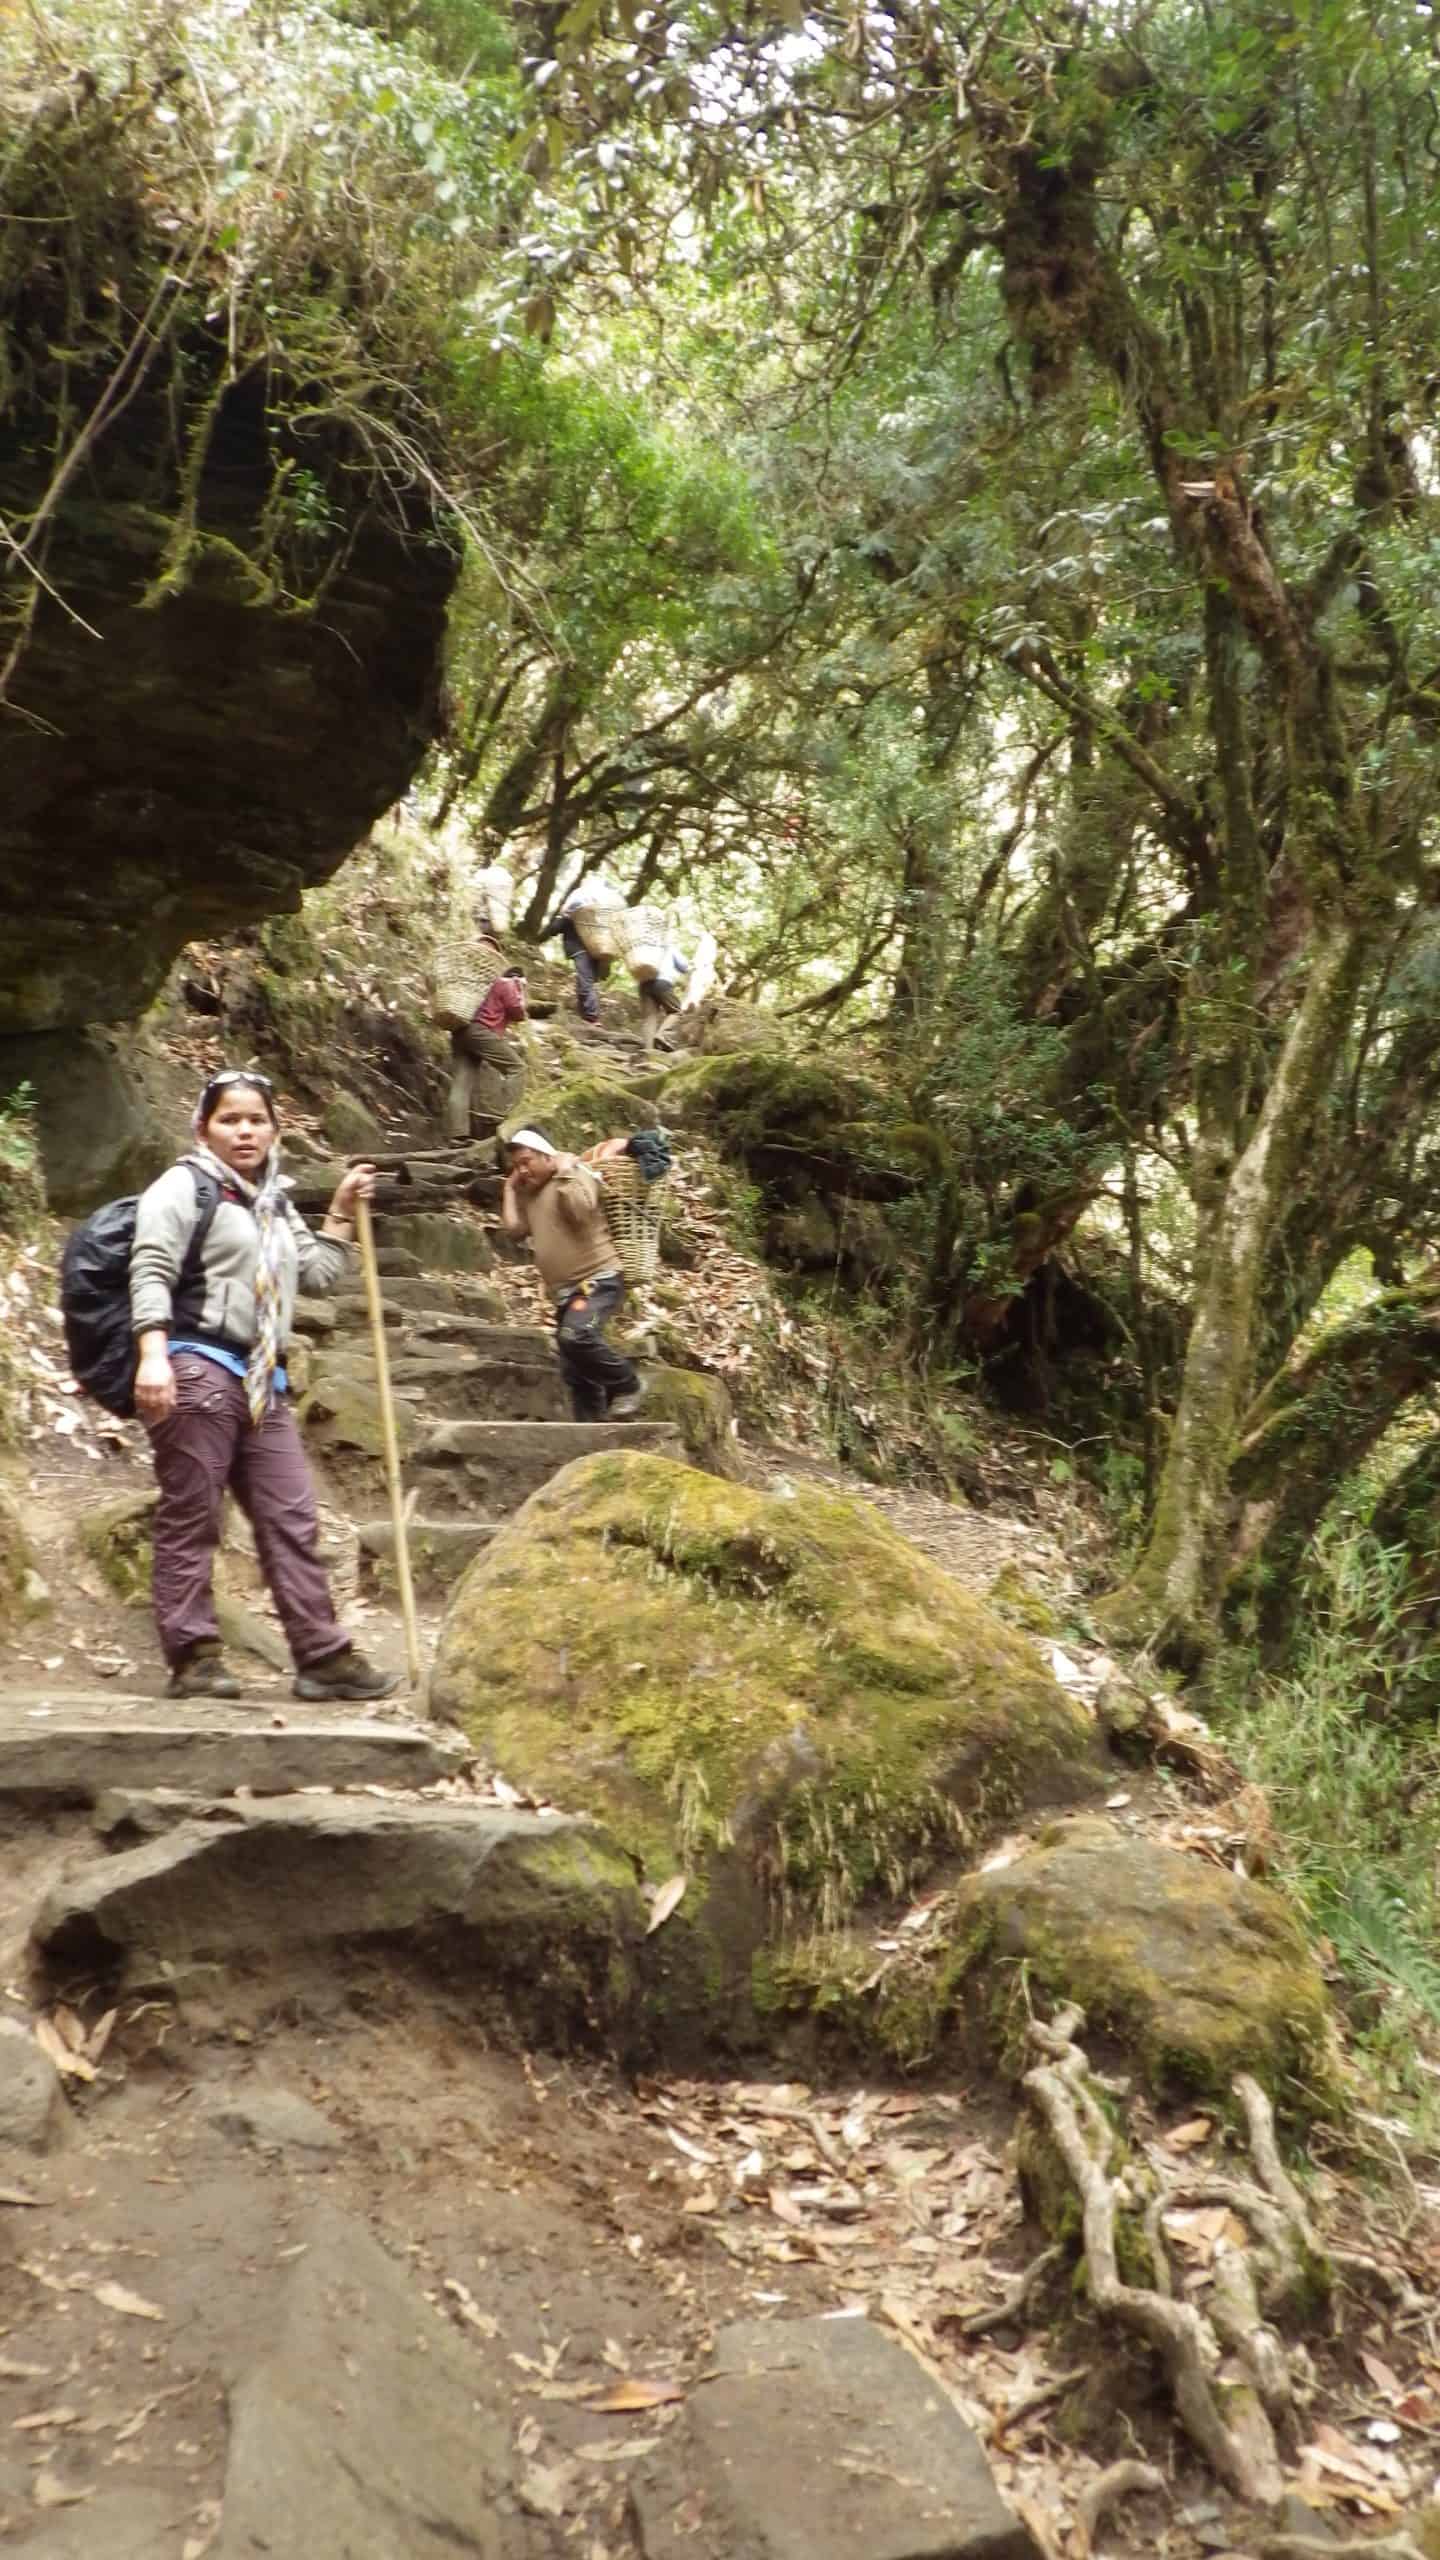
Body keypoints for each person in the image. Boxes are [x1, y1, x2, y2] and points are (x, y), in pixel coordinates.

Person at [129, 1068, 400, 1703]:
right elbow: (150, 1269)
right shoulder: (183, 1187)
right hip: (195, 1364)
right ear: (203, 1128)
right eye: (230, 1119)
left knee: (291, 1515)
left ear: (276, 1130)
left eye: (256, 1119)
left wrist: (338, 1211)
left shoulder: (273, 1202)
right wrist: (152, 1355)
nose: (245, 1130)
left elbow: (319, 1275)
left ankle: (322, 1657)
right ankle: (194, 1657)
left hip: (262, 1379)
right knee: (193, 1515)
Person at [500, 1128, 645, 1420]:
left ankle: (629, 1385)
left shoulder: (577, 1173)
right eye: (517, 1166)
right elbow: (514, 1231)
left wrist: (566, 1171)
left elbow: (581, 1210)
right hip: (567, 1293)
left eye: (527, 1161)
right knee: (577, 1373)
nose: (523, 1170)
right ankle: (592, 1430)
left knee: (575, 1336)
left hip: (597, 1279)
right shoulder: (532, 1194)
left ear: (546, 1155)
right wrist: (508, 1190)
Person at [444, 965, 527, 1140]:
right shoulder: (508, 982)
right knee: (517, 1068)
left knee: (461, 1085)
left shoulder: (486, 987)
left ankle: (457, 1135)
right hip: (481, 1031)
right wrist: (521, 989)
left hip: (461, 1032)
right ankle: (508, 1114)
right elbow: (517, 1011)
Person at [539, 875, 622, 1027]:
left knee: (586, 982)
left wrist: (562, 916)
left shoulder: (575, 912)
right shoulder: (597, 919)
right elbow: (554, 930)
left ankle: (591, 1017)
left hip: (582, 950)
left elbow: (553, 930)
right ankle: (587, 1016)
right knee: (586, 982)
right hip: (594, 951)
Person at [636, 937, 690, 1054]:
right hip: (662, 982)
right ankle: (662, 1035)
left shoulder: (644, 946)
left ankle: (647, 1051)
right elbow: (684, 966)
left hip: (643, 983)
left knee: (649, 1018)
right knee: (675, 1011)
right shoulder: (668, 946)